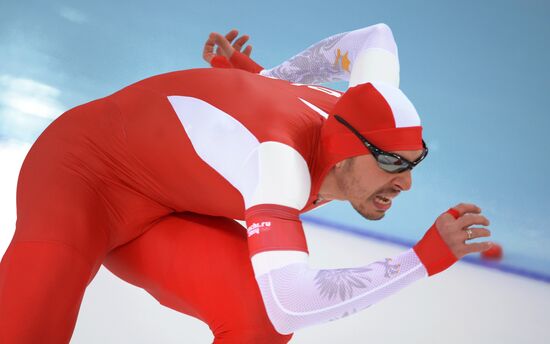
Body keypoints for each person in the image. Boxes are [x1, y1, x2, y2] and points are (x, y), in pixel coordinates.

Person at [0, 24, 492, 343]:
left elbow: (375, 39)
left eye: (414, 162)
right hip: (81, 175)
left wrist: (269, 79)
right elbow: (292, 302)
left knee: (256, 326)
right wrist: (420, 261)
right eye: (390, 163)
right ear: (344, 154)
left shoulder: (369, 98)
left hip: (172, 203)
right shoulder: (278, 164)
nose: (405, 183)